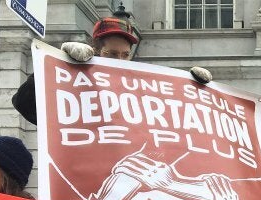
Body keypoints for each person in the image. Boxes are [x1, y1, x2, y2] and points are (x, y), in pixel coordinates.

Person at [11, 17, 212, 125]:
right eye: (112, 54)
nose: (120, 60)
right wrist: (60, 65)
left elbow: (176, 123)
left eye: (125, 55)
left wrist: (194, 89)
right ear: (95, 50)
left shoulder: (140, 89)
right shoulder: (72, 84)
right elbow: (24, 104)